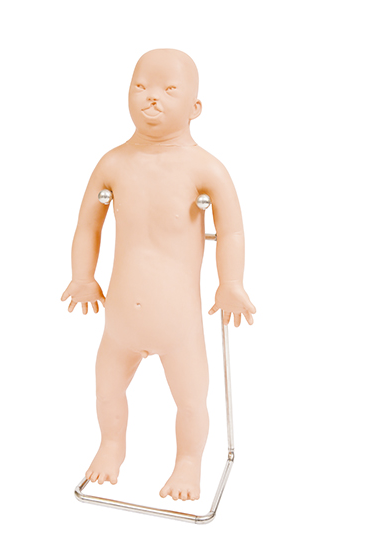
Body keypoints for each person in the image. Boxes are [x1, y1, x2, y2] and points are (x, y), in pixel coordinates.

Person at [61, 49, 255, 501]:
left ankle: (188, 463)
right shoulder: (112, 164)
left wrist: (230, 283)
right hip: (120, 321)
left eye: (169, 89)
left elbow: (232, 231)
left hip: (178, 324)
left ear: (195, 107)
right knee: (107, 389)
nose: (152, 98)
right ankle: (111, 446)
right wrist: (82, 275)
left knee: (190, 399)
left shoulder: (206, 169)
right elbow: (88, 225)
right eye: (141, 86)